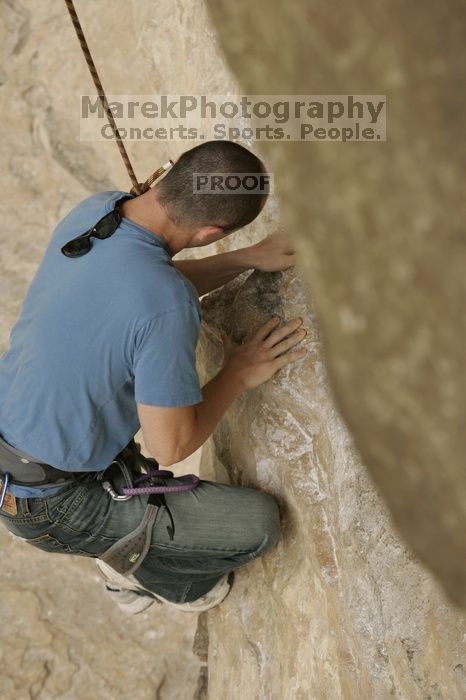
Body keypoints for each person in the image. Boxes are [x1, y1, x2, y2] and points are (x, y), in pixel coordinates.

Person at [0, 140, 307, 614]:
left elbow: (145, 286)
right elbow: (171, 446)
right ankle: (142, 572)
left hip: (19, 442)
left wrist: (247, 257)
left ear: (172, 173)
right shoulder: (165, 306)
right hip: (50, 507)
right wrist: (239, 373)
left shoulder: (98, 210)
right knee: (258, 524)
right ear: (208, 232)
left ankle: (122, 527)